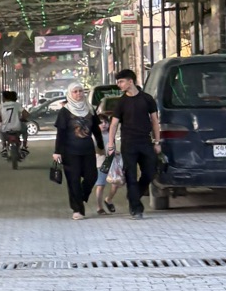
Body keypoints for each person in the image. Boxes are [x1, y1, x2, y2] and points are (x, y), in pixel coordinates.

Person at [112, 67, 161, 217]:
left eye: (121, 81)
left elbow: (155, 121)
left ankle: (134, 195)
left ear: (130, 81)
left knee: (150, 172)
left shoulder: (147, 99)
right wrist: (110, 143)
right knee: (131, 176)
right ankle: (136, 208)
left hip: (145, 142)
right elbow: (114, 124)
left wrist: (157, 142)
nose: (119, 85)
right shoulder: (121, 102)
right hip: (128, 144)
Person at [53, 84, 103, 219]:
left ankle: (81, 196)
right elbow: (60, 133)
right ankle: (78, 210)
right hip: (69, 151)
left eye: (80, 91)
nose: (78, 94)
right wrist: (57, 151)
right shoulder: (65, 111)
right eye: (75, 92)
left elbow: (96, 130)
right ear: (70, 94)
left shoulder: (90, 109)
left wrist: (101, 147)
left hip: (88, 150)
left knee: (92, 176)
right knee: (73, 181)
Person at [94, 96, 122, 214]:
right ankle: (99, 207)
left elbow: (116, 145)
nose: (104, 124)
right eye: (101, 123)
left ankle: (109, 199)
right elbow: (95, 149)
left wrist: (116, 152)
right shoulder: (95, 136)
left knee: (116, 183)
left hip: (113, 163)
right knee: (100, 185)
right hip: (101, 164)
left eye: (105, 122)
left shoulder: (112, 134)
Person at [0, 89, 25, 158]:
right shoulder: (17, 104)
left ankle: (4, 146)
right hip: (17, 127)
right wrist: (22, 119)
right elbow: (26, 114)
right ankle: (24, 145)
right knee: (25, 129)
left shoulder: (1, 106)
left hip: (5, 128)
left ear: (5, 98)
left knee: (0, 130)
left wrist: (3, 121)